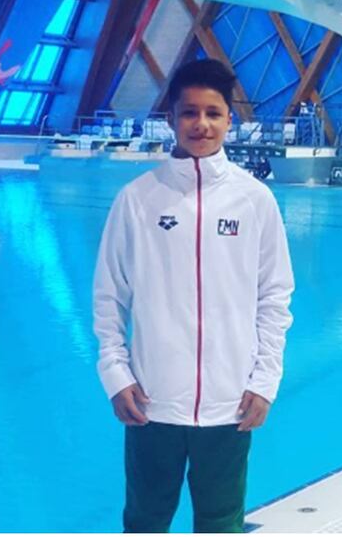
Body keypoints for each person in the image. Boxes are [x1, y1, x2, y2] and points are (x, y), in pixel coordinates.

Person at [93, 59, 294, 532]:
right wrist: (115, 374)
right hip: (151, 401)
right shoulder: (137, 200)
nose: (200, 124)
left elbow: (275, 296)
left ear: (230, 119)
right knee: (144, 519)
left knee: (222, 521)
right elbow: (108, 295)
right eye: (189, 112)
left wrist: (265, 380)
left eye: (213, 112)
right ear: (171, 118)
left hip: (231, 403)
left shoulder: (254, 200)